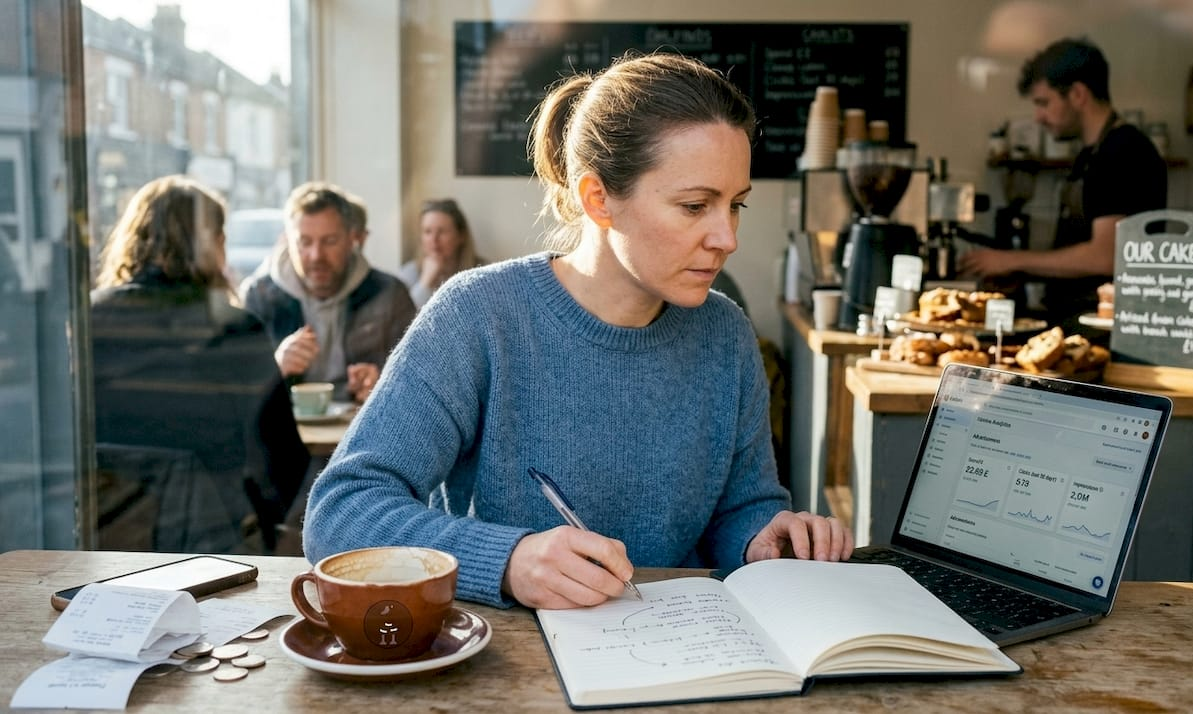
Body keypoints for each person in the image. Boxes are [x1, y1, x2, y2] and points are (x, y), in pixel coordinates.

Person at [303, 52, 853, 610]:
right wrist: (507, 561)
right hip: (510, 662)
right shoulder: (477, 317)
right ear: (598, 199)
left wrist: (765, 538)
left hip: (683, 651)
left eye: (734, 205)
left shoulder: (726, 332)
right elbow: (341, 511)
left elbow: (742, 510)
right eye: (694, 206)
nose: (726, 238)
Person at [92, 175, 309, 553]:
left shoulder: (88, 321)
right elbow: (281, 461)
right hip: (215, 545)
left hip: (107, 538)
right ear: (214, 244)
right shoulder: (233, 327)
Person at [959, 37, 1166, 328]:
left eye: (1044, 103)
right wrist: (1021, 274)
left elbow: (1106, 256)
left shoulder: (1123, 151)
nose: (1038, 117)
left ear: (1078, 94)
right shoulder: (1090, 154)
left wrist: (1013, 260)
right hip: (1074, 320)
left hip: (1106, 328)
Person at [240, 182, 415, 404]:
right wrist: (276, 367)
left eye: (329, 241)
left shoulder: (390, 294)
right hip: (283, 434)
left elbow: (420, 382)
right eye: (304, 242)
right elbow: (237, 393)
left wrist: (383, 383)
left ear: (353, 239)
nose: (316, 256)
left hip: (364, 429)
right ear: (288, 241)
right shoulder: (260, 296)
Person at [398, 198, 485, 308]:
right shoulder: (408, 273)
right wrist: (425, 283)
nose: (434, 239)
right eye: (427, 231)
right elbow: (405, 320)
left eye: (442, 232)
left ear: (461, 236)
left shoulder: (482, 271)